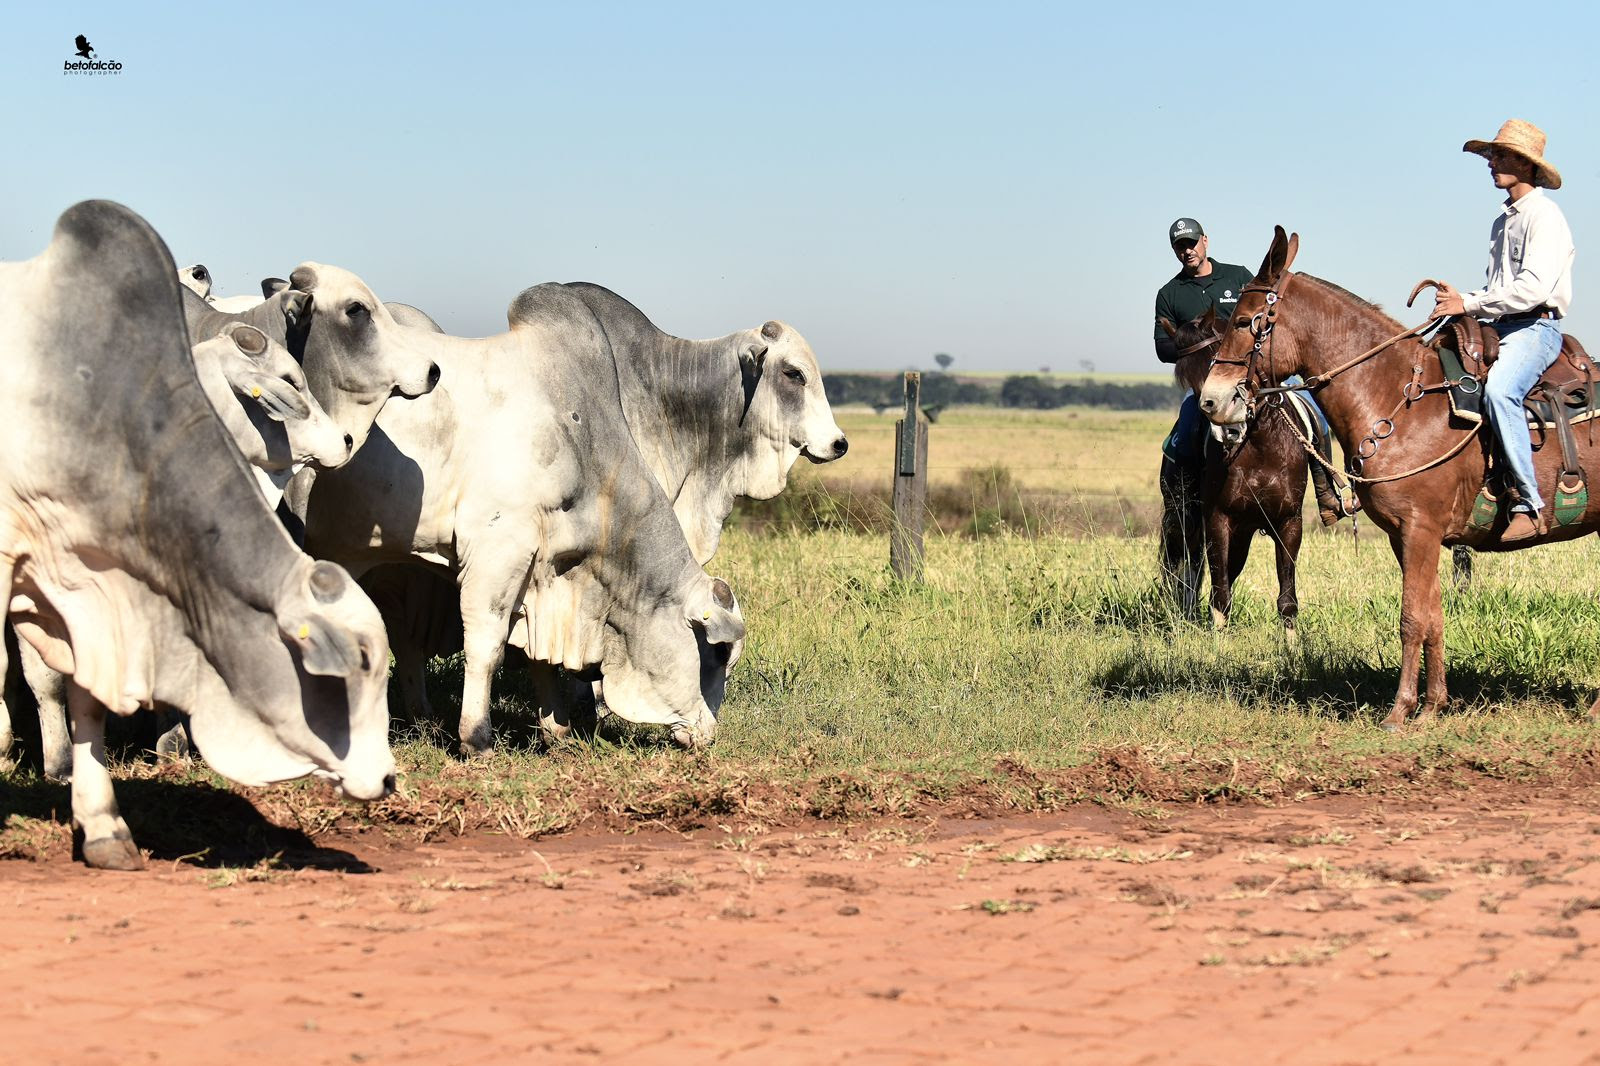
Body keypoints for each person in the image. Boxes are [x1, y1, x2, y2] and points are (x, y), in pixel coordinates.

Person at [1432, 119, 1575, 542]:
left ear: (1529, 166)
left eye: (1502, 155)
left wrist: (1470, 303)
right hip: (1502, 325)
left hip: (1536, 327)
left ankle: (1530, 505)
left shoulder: (1544, 216)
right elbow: (1499, 288)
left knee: (1499, 392)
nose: (1492, 163)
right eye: (1492, 155)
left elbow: (1532, 288)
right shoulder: (1503, 220)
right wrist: (1464, 303)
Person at [1153, 218, 1348, 524]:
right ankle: (1186, 502)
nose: (1187, 250)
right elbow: (1162, 348)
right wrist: (1192, 340)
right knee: (1184, 432)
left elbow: (1268, 313)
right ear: (1174, 250)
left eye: (1191, 243)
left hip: (1258, 371)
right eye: (1180, 246)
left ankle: (1327, 494)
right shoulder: (1170, 293)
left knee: (1315, 413)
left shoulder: (1237, 276)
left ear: (1205, 240)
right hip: (1211, 380)